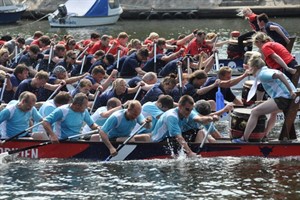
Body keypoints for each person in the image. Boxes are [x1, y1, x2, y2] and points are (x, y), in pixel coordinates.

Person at [232, 52, 297, 143]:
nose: (249, 70)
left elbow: (280, 75)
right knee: (273, 113)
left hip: (284, 99)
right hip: (290, 99)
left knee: (255, 112)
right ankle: (264, 135)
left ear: (254, 67)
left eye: (250, 67)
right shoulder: (267, 70)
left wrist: (290, 90)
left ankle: (244, 139)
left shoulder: (262, 74)